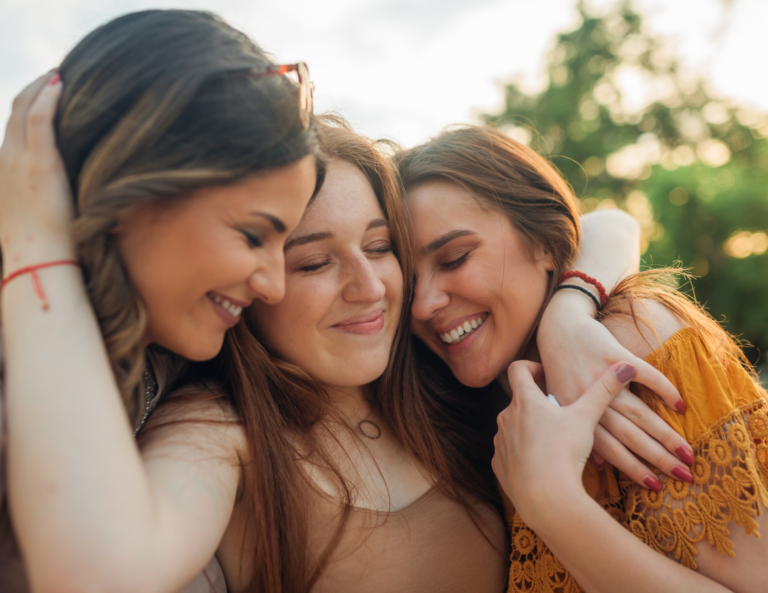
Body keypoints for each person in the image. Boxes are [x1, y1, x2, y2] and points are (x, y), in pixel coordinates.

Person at [0, 9, 321, 592]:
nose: (274, 286)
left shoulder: (184, 372)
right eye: (252, 235)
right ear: (131, 191)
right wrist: (40, 246)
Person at [397, 125, 768, 592]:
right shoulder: (474, 404)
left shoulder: (630, 342)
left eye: (454, 259)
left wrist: (552, 502)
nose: (422, 305)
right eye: (408, 282)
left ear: (543, 243)